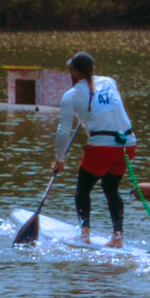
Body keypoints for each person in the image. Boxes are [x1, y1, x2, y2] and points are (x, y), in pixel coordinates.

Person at [52, 51, 135, 247]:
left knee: (83, 189)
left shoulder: (70, 95)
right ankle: (118, 238)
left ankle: (84, 234)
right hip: (128, 144)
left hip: (102, 148)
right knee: (111, 189)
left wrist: (60, 159)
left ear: (73, 70)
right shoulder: (110, 81)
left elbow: (63, 131)